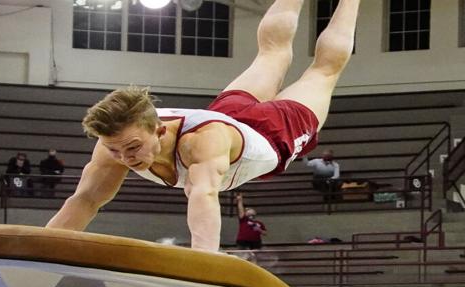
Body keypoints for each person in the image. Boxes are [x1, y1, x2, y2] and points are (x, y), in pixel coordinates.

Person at [48, 0, 361, 252]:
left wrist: (203, 266)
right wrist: (39, 249)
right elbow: (85, 200)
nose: (125, 158)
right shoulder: (112, 144)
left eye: (133, 148)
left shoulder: (198, 143)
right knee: (272, 52)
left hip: (272, 131)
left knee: (324, 70)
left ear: (159, 129)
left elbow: (205, 196)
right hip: (229, 115)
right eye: (116, 150)